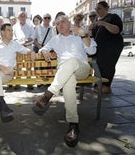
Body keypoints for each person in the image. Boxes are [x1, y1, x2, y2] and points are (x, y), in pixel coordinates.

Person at [33, 15, 97, 147]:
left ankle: (49, 94)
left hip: (81, 68)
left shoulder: (78, 35)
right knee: (68, 82)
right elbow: (42, 48)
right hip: (65, 73)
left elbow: (92, 50)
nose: (60, 24)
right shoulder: (55, 39)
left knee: (72, 61)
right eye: (57, 23)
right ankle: (73, 124)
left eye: (62, 22)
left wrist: (84, 34)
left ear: (69, 23)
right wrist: (44, 51)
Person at [0, 23, 36, 135]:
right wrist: (3, 68)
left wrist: (32, 51)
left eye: (12, 30)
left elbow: (26, 50)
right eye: (9, 30)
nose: (12, 32)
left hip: (8, 74)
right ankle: (2, 104)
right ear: (2, 32)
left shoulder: (14, 44)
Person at [91, 1, 124, 93]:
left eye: (99, 8)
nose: (97, 10)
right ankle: (98, 84)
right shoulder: (97, 21)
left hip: (112, 47)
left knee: (108, 65)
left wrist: (104, 24)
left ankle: (106, 86)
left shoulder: (113, 17)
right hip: (100, 48)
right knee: (98, 65)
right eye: (96, 8)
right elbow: (93, 36)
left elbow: (117, 30)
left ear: (106, 8)